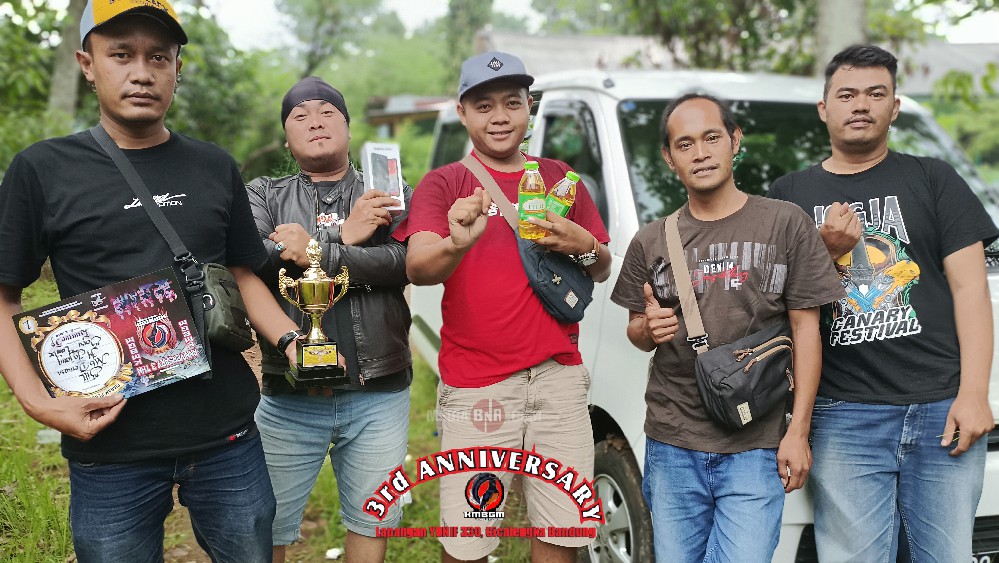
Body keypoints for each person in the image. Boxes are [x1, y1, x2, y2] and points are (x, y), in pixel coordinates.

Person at [0, 1, 303, 561]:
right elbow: (4, 295)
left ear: (177, 69)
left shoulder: (214, 166)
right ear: (87, 64)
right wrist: (38, 404)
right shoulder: (41, 169)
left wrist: (292, 340)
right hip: (108, 440)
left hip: (227, 434)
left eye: (158, 57)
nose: (142, 72)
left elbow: (241, 271)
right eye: (121, 55)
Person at [768, 44, 998, 562]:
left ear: (894, 108)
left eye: (876, 94)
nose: (861, 105)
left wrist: (974, 394)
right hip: (842, 413)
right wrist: (825, 253)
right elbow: (776, 303)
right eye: (846, 94)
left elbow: (971, 290)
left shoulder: (934, 179)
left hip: (941, 407)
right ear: (824, 108)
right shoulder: (789, 194)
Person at [396, 51, 611, 563]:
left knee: (563, 533)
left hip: (558, 381)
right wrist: (456, 243)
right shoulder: (444, 183)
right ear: (463, 113)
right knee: (468, 542)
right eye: (484, 105)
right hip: (479, 387)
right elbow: (418, 267)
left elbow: (601, 267)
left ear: (529, 107)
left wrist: (582, 243)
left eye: (512, 103)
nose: (499, 116)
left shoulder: (561, 178)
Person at [610, 93, 844, 562]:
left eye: (711, 138)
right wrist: (648, 329)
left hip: (756, 443)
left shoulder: (785, 223)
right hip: (672, 442)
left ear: (735, 141)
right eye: (685, 144)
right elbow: (635, 331)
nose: (700, 153)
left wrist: (798, 432)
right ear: (669, 158)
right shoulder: (650, 240)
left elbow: (807, 332)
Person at [246, 76, 413, 563]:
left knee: (371, 522)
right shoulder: (263, 194)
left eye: (327, 112)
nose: (315, 122)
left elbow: (405, 263)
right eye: (300, 116)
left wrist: (317, 249)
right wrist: (347, 235)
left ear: (348, 126)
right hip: (287, 397)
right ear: (286, 138)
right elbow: (255, 261)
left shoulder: (386, 190)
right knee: (264, 528)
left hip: (378, 393)